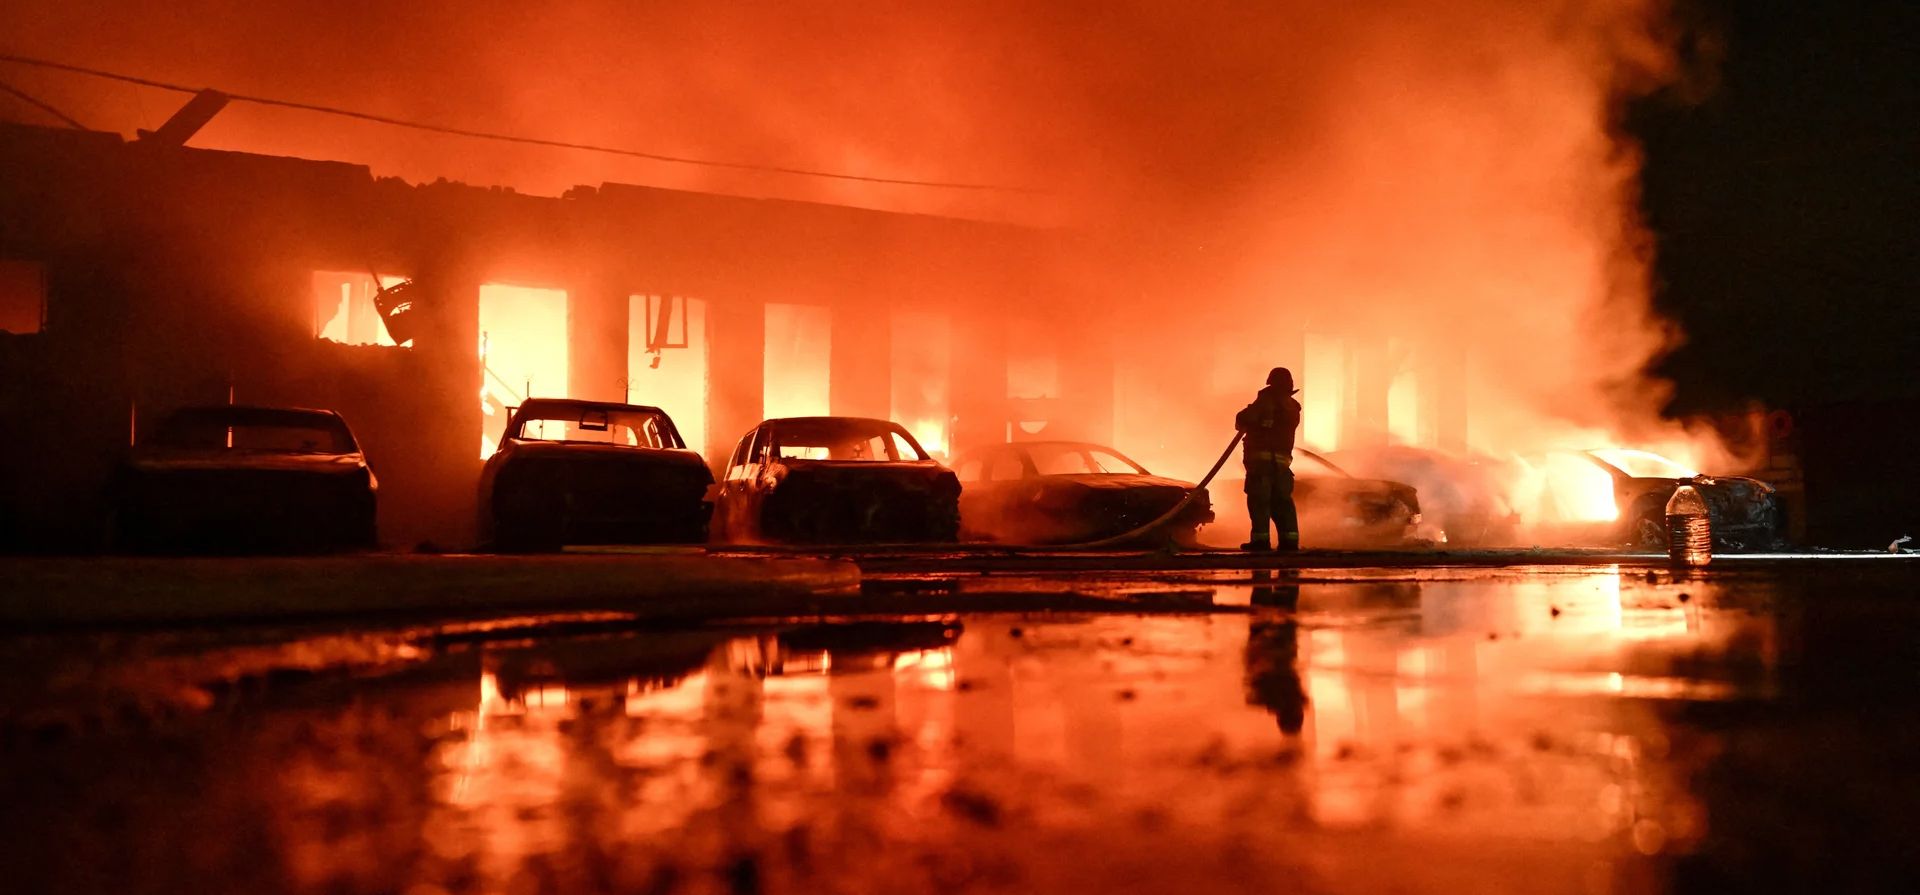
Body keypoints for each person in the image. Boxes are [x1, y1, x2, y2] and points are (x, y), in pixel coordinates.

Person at [1234, 366, 1302, 551]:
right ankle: (1289, 541)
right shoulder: (1293, 407)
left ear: (1271, 383)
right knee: (1283, 503)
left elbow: (1244, 418)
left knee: (1259, 501)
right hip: (1282, 465)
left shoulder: (1266, 400)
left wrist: (1248, 416)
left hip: (1261, 464)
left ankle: (1260, 541)